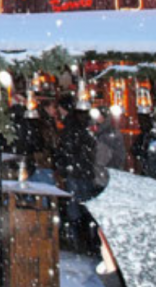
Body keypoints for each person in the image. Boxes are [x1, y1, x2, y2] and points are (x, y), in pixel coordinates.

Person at [54, 94, 98, 253]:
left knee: (75, 209)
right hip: (85, 170)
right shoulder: (82, 124)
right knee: (86, 206)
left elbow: (67, 151)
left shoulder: (70, 127)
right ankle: (89, 241)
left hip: (75, 172)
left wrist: (61, 165)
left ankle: (79, 243)